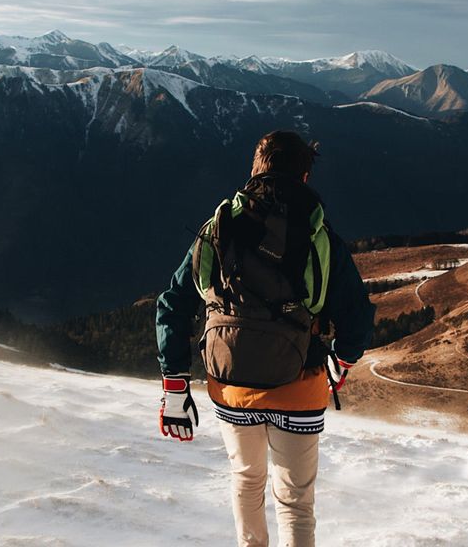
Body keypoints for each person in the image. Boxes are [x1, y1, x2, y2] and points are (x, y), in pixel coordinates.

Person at [155, 130, 374, 547]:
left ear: (254, 169)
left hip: (231, 383)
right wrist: (341, 364)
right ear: (305, 177)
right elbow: (358, 317)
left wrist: (174, 384)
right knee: (294, 501)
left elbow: (173, 301)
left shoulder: (219, 225)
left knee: (246, 480)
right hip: (300, 384)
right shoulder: (318, 234)